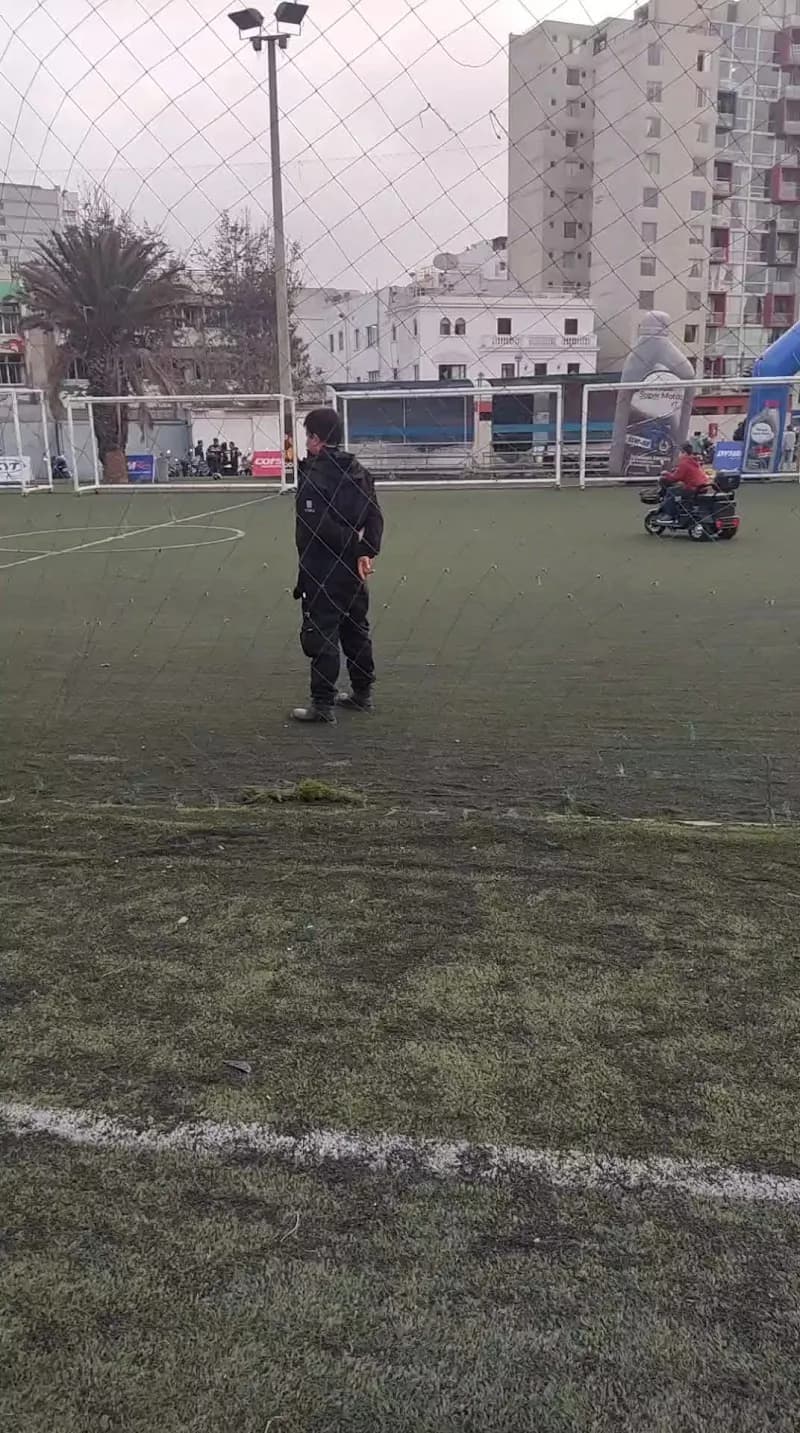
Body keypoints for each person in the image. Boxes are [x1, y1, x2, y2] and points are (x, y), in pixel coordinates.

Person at [291, 407, 383, 725]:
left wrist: (359, 547)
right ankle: (362, 694)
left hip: (322, 567)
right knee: (356, 628)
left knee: (322, 631)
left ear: (316, 438)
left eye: (308, 436)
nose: (306, 442)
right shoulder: (358, 470)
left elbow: (319, 527)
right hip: (354, 570)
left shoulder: (314, 477)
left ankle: (323, 705)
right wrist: (366, 550)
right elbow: (375, 517)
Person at [659, 442, 712, 524]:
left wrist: (666, 474)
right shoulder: (693, 460)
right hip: (701, 487)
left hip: (692, 488)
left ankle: (669, 515)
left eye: (679, 452)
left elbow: (676, 478)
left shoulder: (684, 462)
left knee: (671, 491)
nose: (678, 455)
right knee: (679, 489)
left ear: (684, 452)